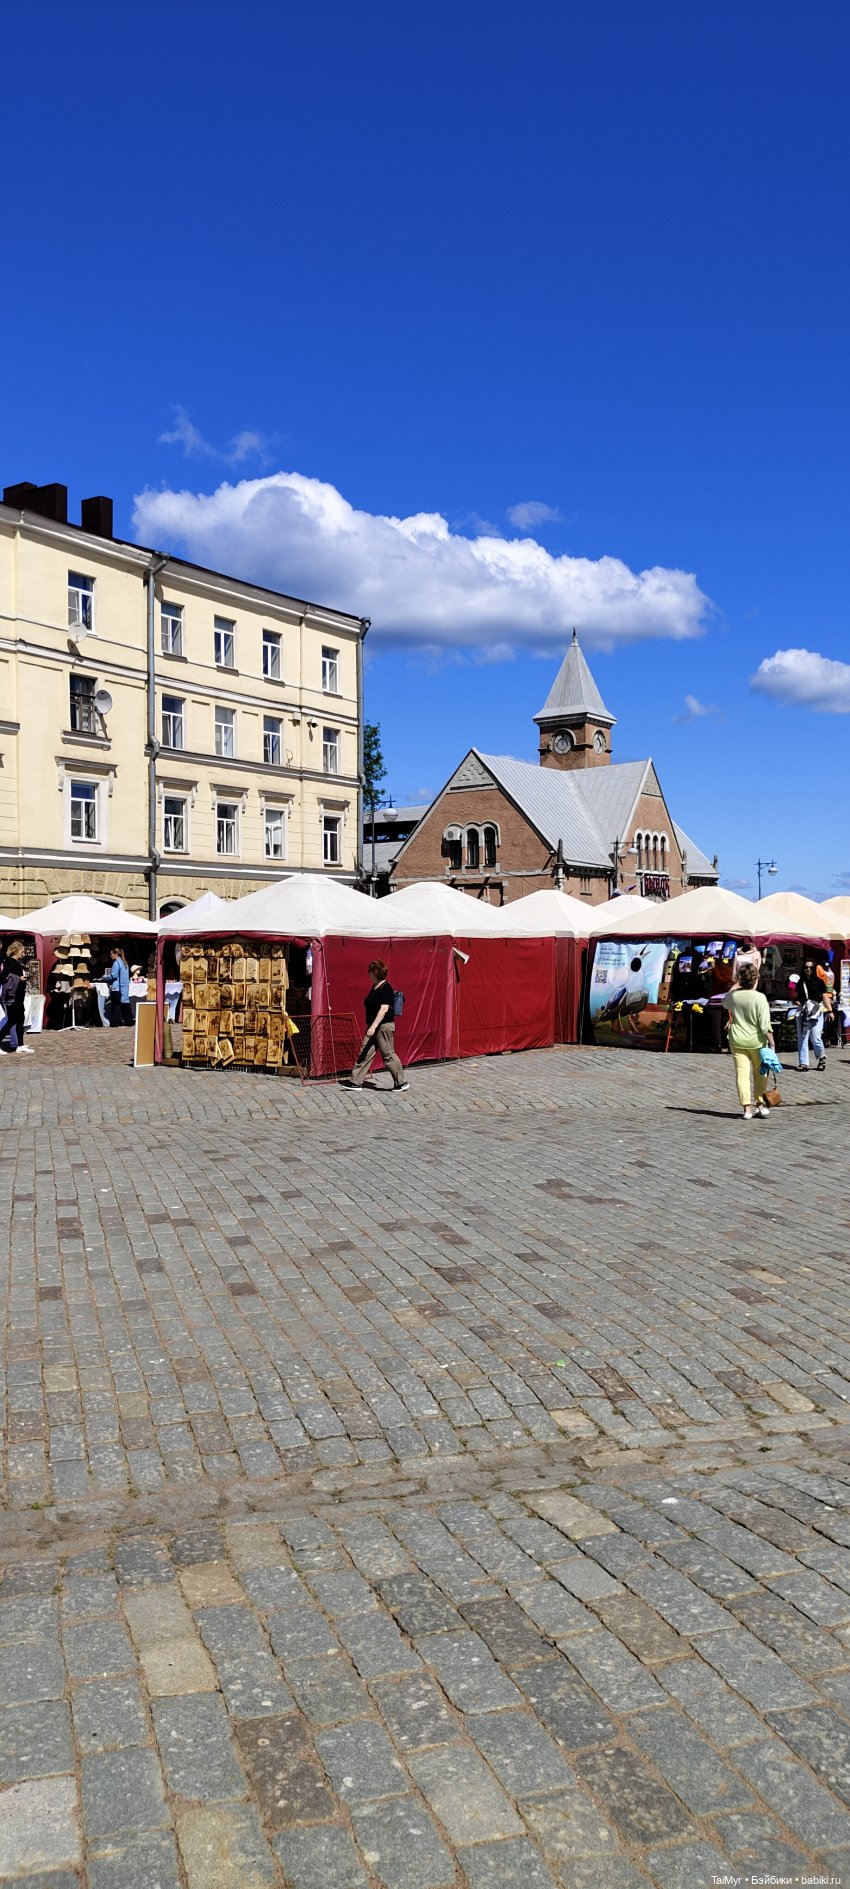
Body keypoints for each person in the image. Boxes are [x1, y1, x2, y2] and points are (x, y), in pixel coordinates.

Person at [722, 961, 774, 1119]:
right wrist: (772, 1042)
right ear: (755, 979)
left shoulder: (734, 996)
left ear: (740, 979)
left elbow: (724, 1002)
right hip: (757, 1041)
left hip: (737, 1040)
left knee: (741, 1074)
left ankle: (747, 1109)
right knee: (761, 1074)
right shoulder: (759, 998)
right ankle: (759, 1104)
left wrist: (735, 986)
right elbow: (765, 1024)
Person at [347, 959, 409, 1091]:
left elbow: (384, 1009)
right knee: (365, 1051)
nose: (368, 974)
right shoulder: (375, 986)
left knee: (388, 1055)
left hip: (383, 1027)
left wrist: (374, 1026)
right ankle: (356, 1081)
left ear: (374, 973)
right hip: (373, 1027)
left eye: (369, 972)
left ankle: (401, 1082)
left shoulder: (386, 988)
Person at [0, 940, 33, 1054]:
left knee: (20, 1020)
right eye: (22, 952)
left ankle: (20, 1045)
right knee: (12, 1020)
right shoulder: (10, 962)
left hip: (19, 996)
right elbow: (3, 977)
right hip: (12, 997)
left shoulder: (16, 963)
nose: (23, 954)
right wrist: (19, 978)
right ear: (16, 951)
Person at [795, 957, 826, 1072]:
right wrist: (796, 1000)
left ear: (814, 968)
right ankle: (803, 1063)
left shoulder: (819, 982)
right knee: (802, 1038)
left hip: (817, 1012)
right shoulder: (800, 982)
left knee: (816, 1037)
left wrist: (831, 1011)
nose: (808, 969)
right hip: (803, 1012)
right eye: (806, 967)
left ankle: (821, 1057)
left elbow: (824, 997)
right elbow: (796, 997)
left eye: (810, 967)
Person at [105, 946, 133, 1026]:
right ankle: (129, 1021)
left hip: (116, 987)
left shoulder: (116, 963)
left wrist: (105, 977)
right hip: (124, 986)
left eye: (111, 954)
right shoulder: (125, 963)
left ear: (116, 954)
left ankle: (114, 1022)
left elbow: (114, 975)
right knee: (125, 1004)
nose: (110, 956)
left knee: (115, 1005)